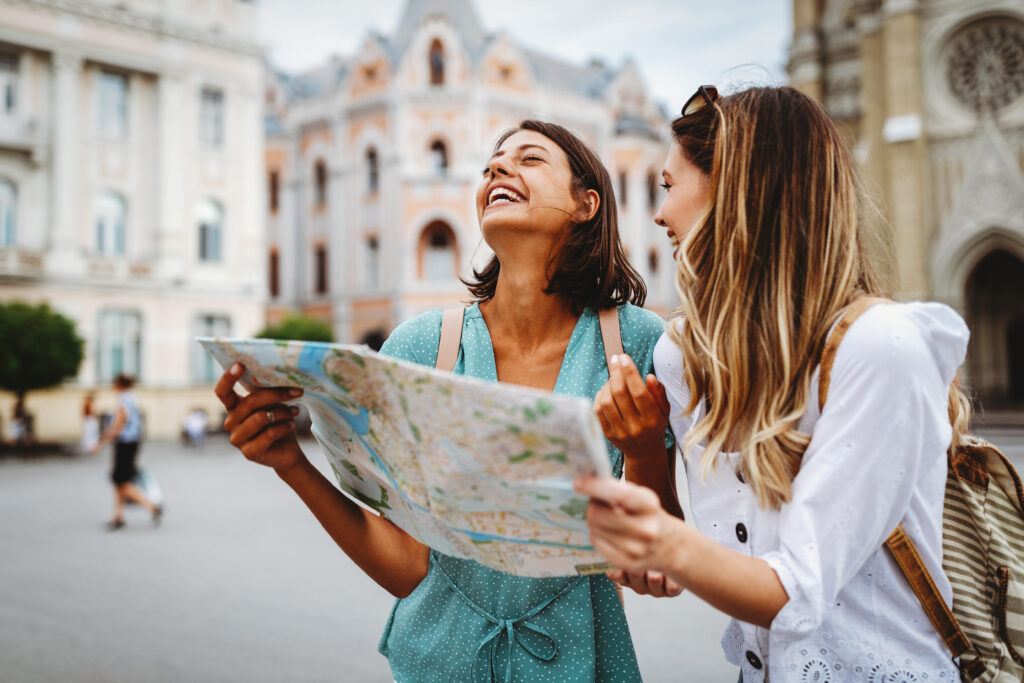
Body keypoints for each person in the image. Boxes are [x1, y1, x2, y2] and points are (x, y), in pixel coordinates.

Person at [214, 120, 676, 681]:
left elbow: (658, 559)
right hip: (437, 663)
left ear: (587, 203)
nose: (498, 170)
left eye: (529, 159)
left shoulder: (637, 343)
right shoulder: (421, 344)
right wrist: (292, 463)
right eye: (491, 165)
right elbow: (408, 567)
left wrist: (648, 451)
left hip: (581, 664)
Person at [576, 85, 971, 681]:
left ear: (735, 189)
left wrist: (660, 542)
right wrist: (641, 456)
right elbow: (695, 563)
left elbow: (796, 590)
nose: (658, 214)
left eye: (669, 185)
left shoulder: (879, 346)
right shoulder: (684, 355)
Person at [90, 373, 162, 530]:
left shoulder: (123, 400)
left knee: (122, 481)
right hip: (131, 443)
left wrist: (100, 443)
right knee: (119, 481)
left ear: (118, 384)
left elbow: (117, 426)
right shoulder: (132, 397)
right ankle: (118, 517)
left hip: (125, 444)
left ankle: (153, 506)